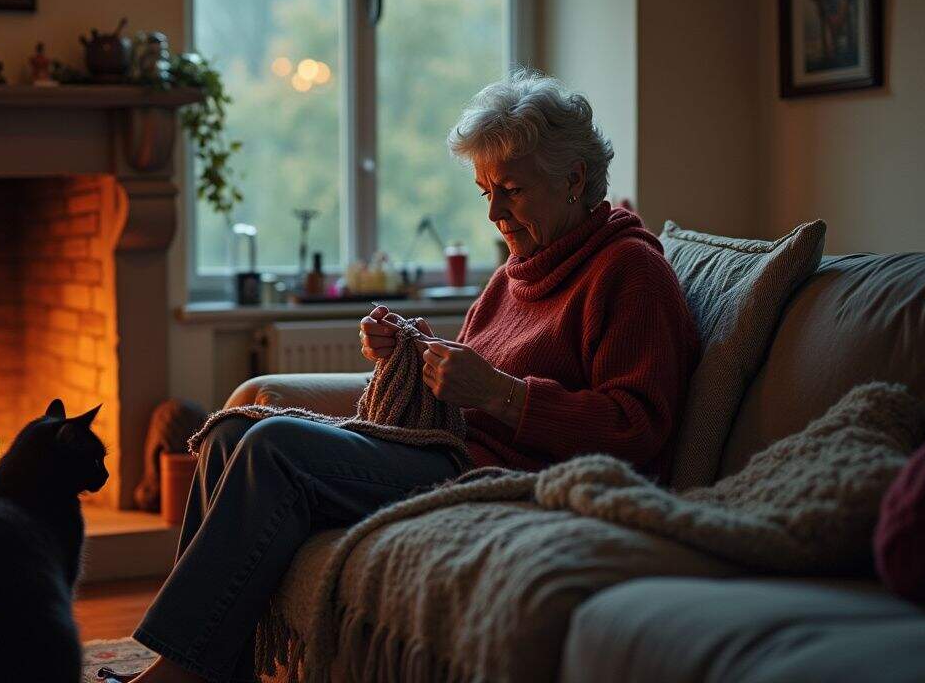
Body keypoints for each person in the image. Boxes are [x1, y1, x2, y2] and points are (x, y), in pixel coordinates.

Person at [118, 71, 699, 683]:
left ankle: (180, 675)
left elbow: (639, 429)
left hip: (502, 477)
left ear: (574, 179)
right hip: (446, 451)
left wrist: (502, 397)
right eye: (485, 193)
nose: (495, 213)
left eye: (512, 190)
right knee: (230, 435)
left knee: (272, 447)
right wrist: (413, 352)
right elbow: (477, 371)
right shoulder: (518, 270)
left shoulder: (630, 272)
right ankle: (203, 667)